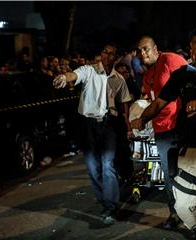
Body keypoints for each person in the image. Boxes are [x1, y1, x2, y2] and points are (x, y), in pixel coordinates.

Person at [131, 23, 196, 240]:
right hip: (187, 151)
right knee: (183, 207)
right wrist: (142, 119)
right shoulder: (181, 75)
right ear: (190, 47)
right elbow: (160, 102)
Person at [53, 43, 132, 225]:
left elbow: (124, 105)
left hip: (109, 124)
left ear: (116, 58)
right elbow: (74, 75)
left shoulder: (119, 79)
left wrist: (128, 127)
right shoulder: (89, 71)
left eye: (111, 54)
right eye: (104, 51)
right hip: (87, 124)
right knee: (91, 166)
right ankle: (105, 201)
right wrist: (64, 77)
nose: (106, 56)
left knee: (107, 164)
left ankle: (110, 207)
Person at [136, 35, 187, 229]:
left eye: (146, 49)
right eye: (139, 51)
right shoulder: (148, 75)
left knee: (188, 171)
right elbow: (151, 100)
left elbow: (189, 81)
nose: (142, 53)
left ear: (155, 48)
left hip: (179, 126)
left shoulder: (170, 60)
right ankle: (175, 213)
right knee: (169, 175)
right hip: (161, 130)